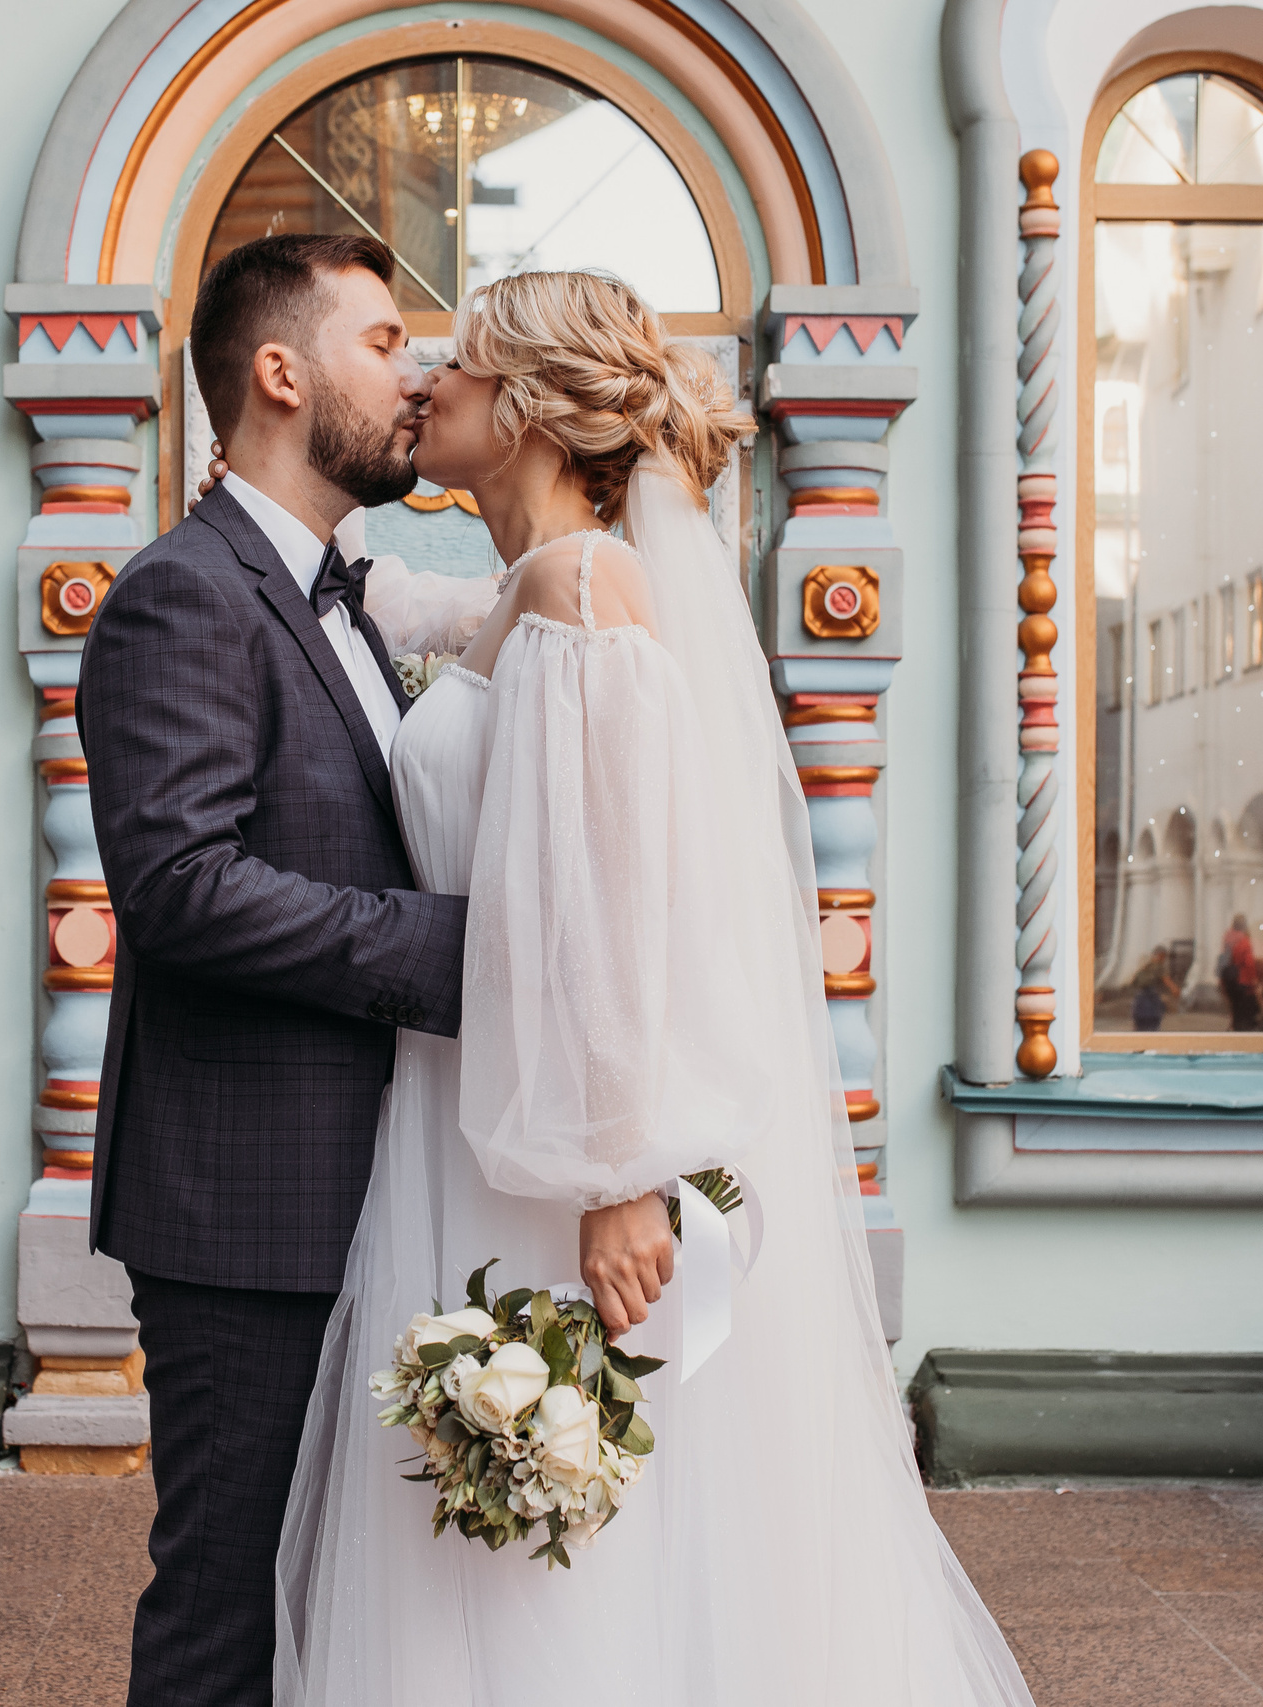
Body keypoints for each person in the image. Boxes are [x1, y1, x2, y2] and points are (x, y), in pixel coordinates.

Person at [271, 271, 1035, 1704]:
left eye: (463, 363)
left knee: (567, 1561)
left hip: (556, 1147)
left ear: (530, 411)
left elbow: (615, 906)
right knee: (492, 1550)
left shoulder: (584, 589)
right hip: (475, 1114)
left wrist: (618, 1175)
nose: (430, 379)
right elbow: (405, 619)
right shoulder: (531, 590)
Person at [77, 232, 496, 1707]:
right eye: (382, 342)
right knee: (227, 1611)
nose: (415, 373)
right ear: (279, 372)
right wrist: (457, 952)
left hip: (368, 1188)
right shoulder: (183, 594)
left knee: (329, 1610)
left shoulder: (338, 595)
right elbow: (180, 889)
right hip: (244, 1211)